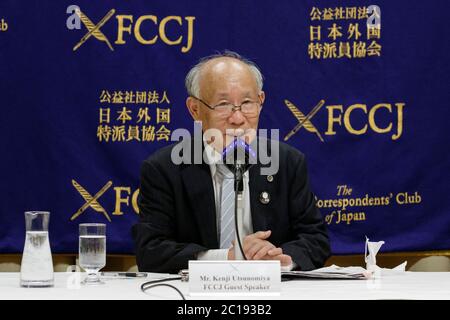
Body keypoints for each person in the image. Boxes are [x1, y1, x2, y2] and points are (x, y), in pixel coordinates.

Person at [132, 51, 330, 273]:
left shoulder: (288, 163)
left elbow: (316, 239)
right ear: (195, 109)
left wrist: (279, 259)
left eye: (247, 103)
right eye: (223, 105)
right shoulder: (164, 169)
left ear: (261, 102)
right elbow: (150, 251)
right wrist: (225, 258)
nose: (237, 118)